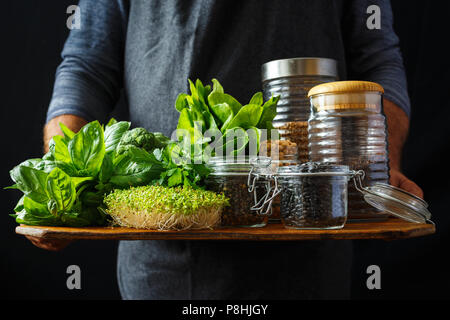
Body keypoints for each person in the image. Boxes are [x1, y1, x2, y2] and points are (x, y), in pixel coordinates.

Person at [29, 0, 423, 299]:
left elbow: (377, 59)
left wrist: (376, 167)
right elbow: (87, 64)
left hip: (307, 245)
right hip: (164, 255)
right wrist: (61, 176)